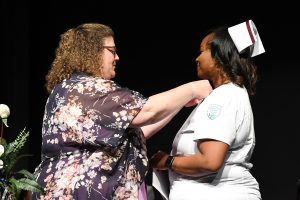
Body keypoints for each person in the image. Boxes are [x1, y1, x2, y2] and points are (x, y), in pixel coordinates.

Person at [31, 23, 212, 200]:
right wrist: (193, 89)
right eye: (112, 50)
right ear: (92, 51)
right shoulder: (89, 89)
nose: (117, 57)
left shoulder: (68, 89)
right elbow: (147, 111)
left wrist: (179, 103)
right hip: (82, 190)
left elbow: (136, 131)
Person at [150, 19, 265, 200]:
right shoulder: (230, 94)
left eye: (202, 51)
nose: (197, 58)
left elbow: (210, 161)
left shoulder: (223, 97)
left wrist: (168, 162)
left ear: (220, 55)